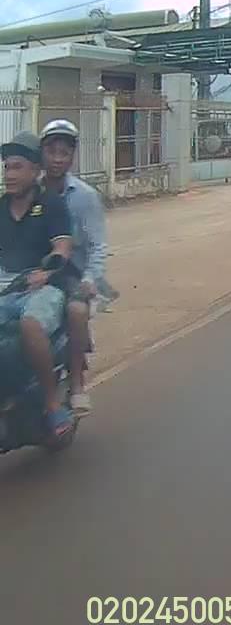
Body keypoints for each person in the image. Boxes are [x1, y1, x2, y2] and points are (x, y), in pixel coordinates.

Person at [0, 130, 76, 436]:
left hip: (43, 288)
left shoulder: (52, 205)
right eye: (6, 167)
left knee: (31, 324)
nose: (9, 174)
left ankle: (52, 404)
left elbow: (63, 247)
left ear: (35, 170)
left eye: (17, 167)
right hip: (6, 290)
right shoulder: (0, 207)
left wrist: (48, 269)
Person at [39, 119, 107, 415]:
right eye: (51, 151)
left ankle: (77, 381)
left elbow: (98, 246)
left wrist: (90, 279)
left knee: (76, 311)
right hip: (31, 272)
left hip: (71, 274)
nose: (57, 159)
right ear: (41, 153)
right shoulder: (30, 189)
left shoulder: (84, 196)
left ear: (72, 156)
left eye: (64, 153)